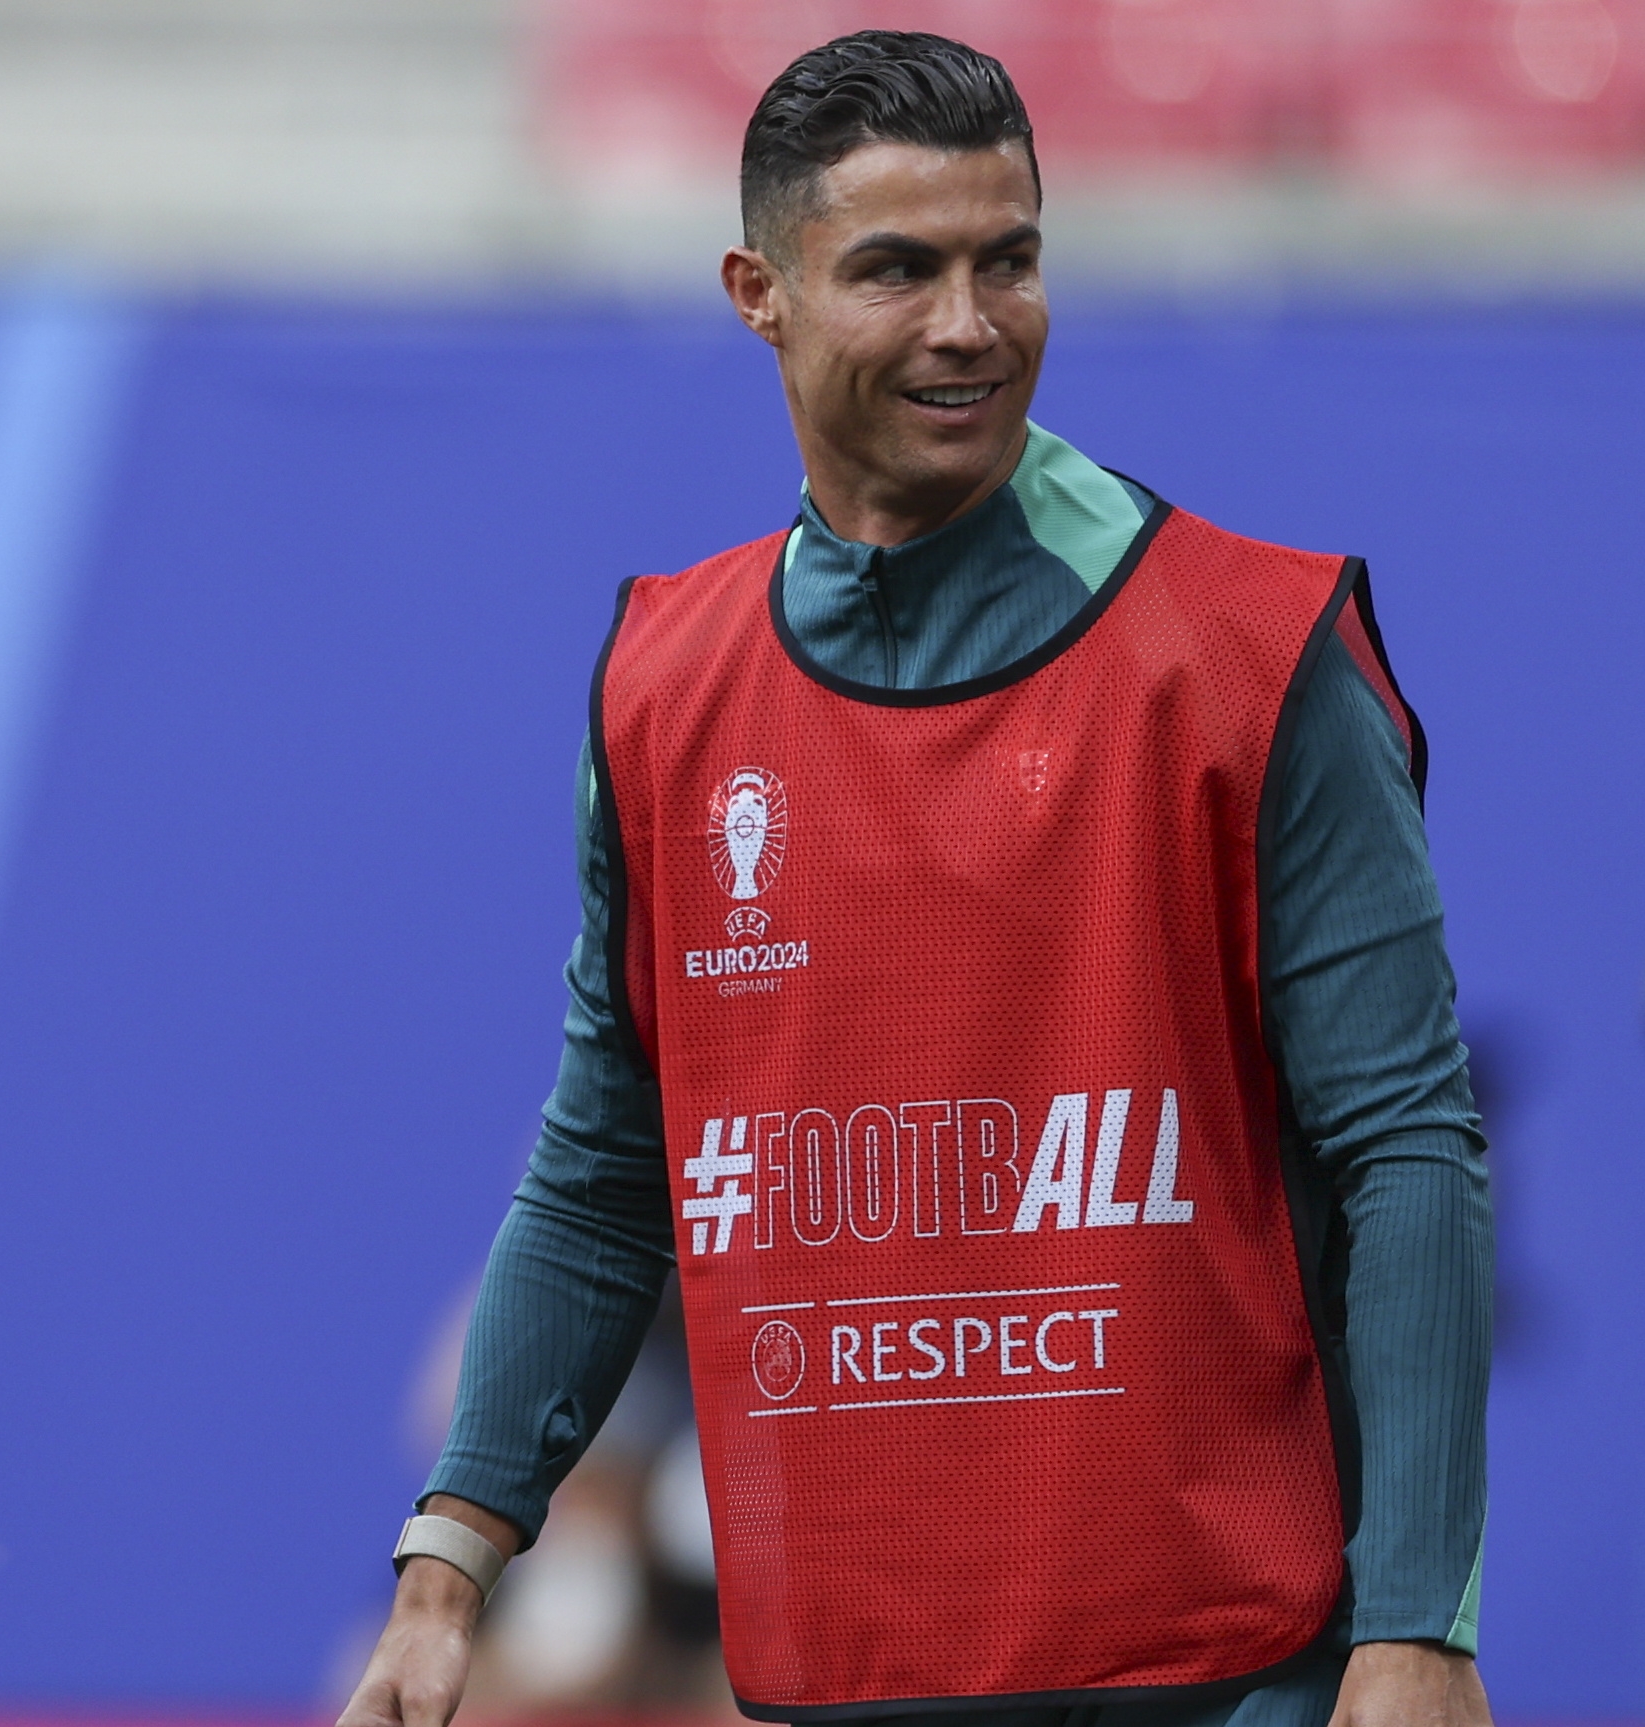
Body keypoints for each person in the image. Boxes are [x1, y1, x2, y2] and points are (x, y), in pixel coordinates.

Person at [338, 31, 1492, 1727]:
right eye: (897, 268)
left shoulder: (1259, 654)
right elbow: (605, 1164)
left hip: (1228, 1679)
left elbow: (1404, 1152)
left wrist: (1414, 1628)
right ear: (760, 290)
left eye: (1005, 260)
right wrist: (450, 1567)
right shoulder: (661, 683)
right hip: (848, 1678)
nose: (968, 324)